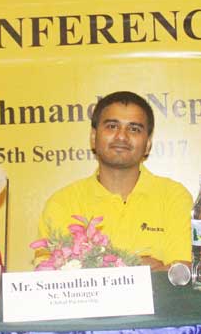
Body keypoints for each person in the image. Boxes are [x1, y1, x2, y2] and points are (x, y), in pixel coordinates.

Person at [37, 91, 192, 270]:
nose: (121, 136)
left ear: (148, 144)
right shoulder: (63, 203)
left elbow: (184, 271)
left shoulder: (173, 197)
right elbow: (49, 277)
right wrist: (138, 270)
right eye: (112, 126)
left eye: (134, 129)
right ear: (93, 137)